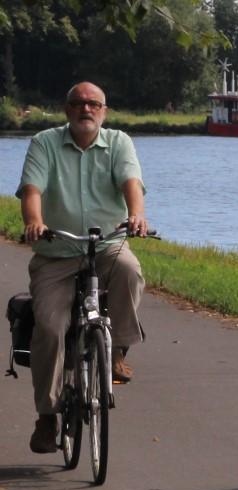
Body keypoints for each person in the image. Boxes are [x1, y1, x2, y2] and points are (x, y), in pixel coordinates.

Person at [16, 81, 149, 453]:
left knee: (129, 270)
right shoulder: (45, 142)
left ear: (104, 111)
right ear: (66, 109)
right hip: (56, 251)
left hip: (106, 244)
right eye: (78, 104)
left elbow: (131, 183)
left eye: (94, 104)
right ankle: (47, 417)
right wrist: (34, 222)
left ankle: (118, 350)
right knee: (50, 328)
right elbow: (32, 190)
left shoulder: (119, 142)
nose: (85, 110)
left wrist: (137, 215)